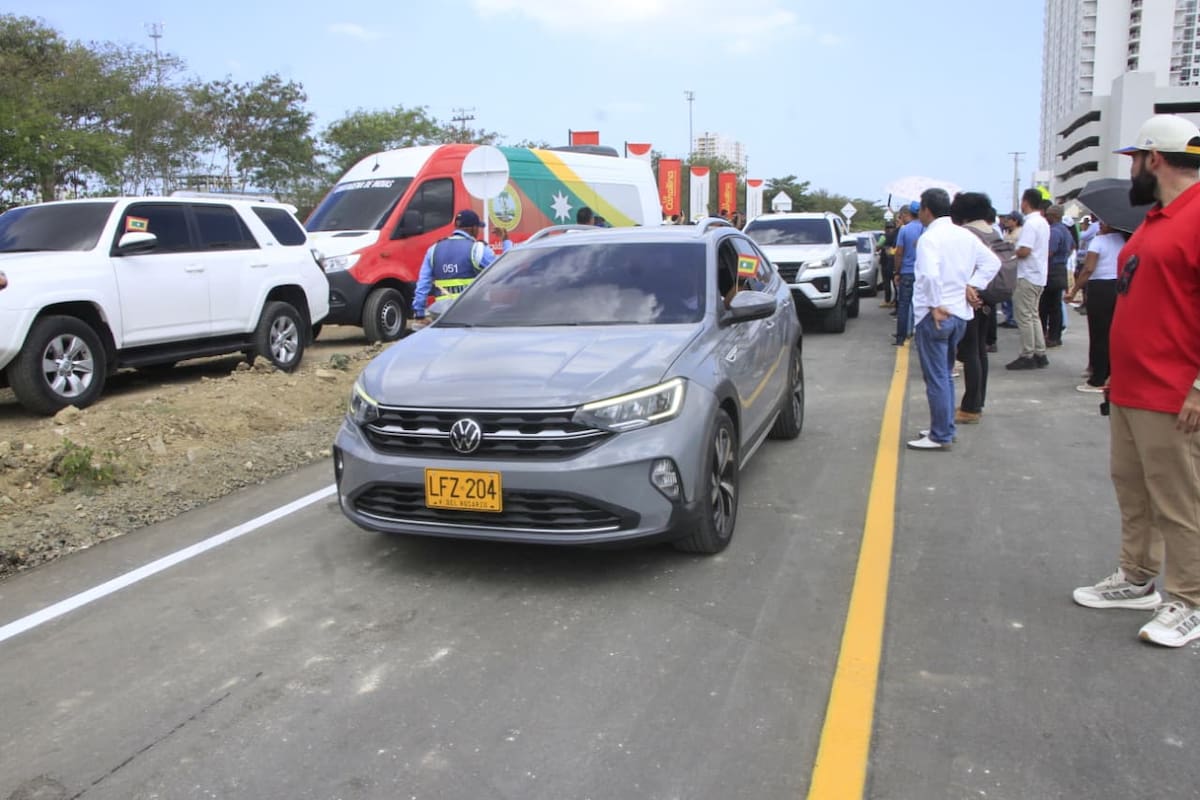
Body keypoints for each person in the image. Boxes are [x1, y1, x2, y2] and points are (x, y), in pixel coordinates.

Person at [1071, 114, 1200, 648]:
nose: (1131, 170)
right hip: (1131, 386)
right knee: (1133, 489)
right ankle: (1137, 576)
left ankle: (1189, 600)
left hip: (1172, 389)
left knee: (1179, 501)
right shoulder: (1156, 219)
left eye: (1134, 159)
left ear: (1155, 158)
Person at [906, 188, 1000, 451]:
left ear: (926, 209)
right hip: (959, 314)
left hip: (934, 314)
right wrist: (973, 285)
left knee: (936, 377)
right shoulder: (965, 235)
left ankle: (940, 434)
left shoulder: (930, 238)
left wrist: (935, 304)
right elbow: (992, 263)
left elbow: (928, 275)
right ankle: (944, 425)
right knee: (945, 375)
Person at [950, 192, 1004, 424]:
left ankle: (970, 407)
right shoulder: (993, 231)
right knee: (980, 351)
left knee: (970, 352)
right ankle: (977, 401)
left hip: (971, 298)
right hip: (989, 298)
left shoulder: (968, 234)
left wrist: (971, 286)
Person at [1066, 218, 1125, 392]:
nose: (1100, 224)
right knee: (1112, 332)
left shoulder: (1098, 241)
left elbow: (1088, 269)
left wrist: (1074, 289)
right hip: (1118, 286)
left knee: (1099, 333)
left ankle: (1097, 378)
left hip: (1100, 288)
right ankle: (1110, 372)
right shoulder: (1123, 239)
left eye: (1103, 221)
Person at [411, 209, 497, 324]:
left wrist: (419, 313)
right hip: (473, 312)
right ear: (473, 228)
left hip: (442, 313)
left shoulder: (434, 249)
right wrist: (506, 242)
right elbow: (502, 269)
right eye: (478, 228)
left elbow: (423, 283)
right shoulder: (478, 249)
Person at [1006, 189, 1049, 370]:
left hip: (1027, 274)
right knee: (1033, 315)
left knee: (1024, 316)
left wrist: (1011, 253)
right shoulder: (1043, 222)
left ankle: (1027, 354)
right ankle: (1040, 352)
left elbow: (1025, 250)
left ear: (1026, 202)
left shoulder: (1030, 224)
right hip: (1038, 275)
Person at [1040, 204, 1073, 347]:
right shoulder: (1066, 231)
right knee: (1055, 306)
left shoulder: (1054, 231)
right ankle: (1055, 336)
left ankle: (1048, 336)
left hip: (1051, 270)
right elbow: (1072, 248)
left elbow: (1049, 252)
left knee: (1045, 306)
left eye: (1048, 215)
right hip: (1061, 269)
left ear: (1053, 216)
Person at [892, 201, 923, 345]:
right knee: (922, 306)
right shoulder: (927, 229)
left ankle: (901, 338)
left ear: (908, 213)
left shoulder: (905, 230)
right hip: (923, 273)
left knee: (904, 305)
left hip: (907, 272)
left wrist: (897, 272)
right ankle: (920, 338)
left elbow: (899, 253)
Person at [997, 212, 1023, 328]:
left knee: (1014, 293)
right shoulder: (1006, 232)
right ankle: (1008, 316)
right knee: (1006, 292)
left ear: (1015, 221)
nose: (1006, 222)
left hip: (1015, 263)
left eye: (1009, 220)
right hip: (1006, 263)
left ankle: (1013, 318)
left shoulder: (1020, 232)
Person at [879, 221, 898, 307]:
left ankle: (887, 300)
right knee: (895, 283)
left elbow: (877, 247)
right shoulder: (897, 236)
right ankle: (895, 301)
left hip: (885, 262)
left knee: (886, 283)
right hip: (895, 262)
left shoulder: (883, 237)